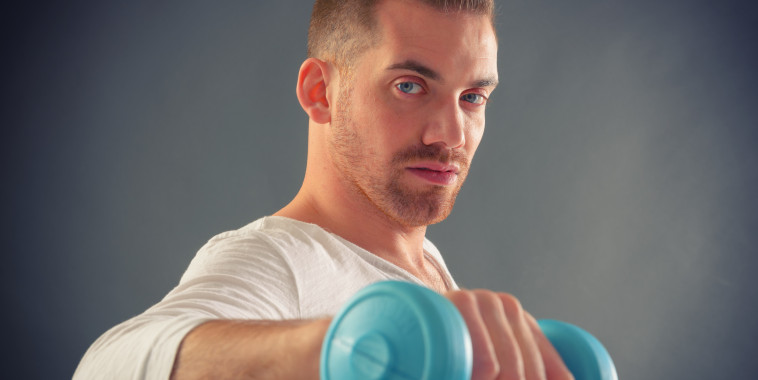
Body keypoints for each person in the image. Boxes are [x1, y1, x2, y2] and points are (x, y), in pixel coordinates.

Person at [75, 0, 574, 379]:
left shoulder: (425, 265)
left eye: (472, 97)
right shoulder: (281, 258)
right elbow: (108, 363)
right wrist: (351, 343)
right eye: (409, 86)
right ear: (321, 92)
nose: (452, 135)